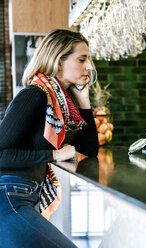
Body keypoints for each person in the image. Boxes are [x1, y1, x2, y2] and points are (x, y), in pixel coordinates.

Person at [0, 29, 98, 247]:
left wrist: (84, 100)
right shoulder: (34, 95)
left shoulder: (62, 105)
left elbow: (89, 149)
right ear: (58, 60)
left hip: (22, 196)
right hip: (7, 198)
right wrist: (52, 154)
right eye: (82, 60)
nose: (90, 67)